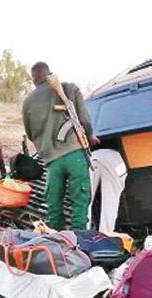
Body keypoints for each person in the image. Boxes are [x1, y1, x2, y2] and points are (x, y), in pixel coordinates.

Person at [22, 62, 99, 231]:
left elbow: (30, 134)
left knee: (54, 205)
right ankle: (79, 242)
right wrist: (90, 136)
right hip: (75, 155)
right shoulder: (69, 88)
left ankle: (57, 241)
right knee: (79, 200)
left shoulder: (28, 102)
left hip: (51, 161)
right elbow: (85, 120)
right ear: (50, 74)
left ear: (33, 80)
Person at [89, 149, 127, 233]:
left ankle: (81, 238)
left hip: (92, 158)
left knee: (86, 202)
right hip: (115, 161)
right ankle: (105, 236)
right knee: (110, 204)